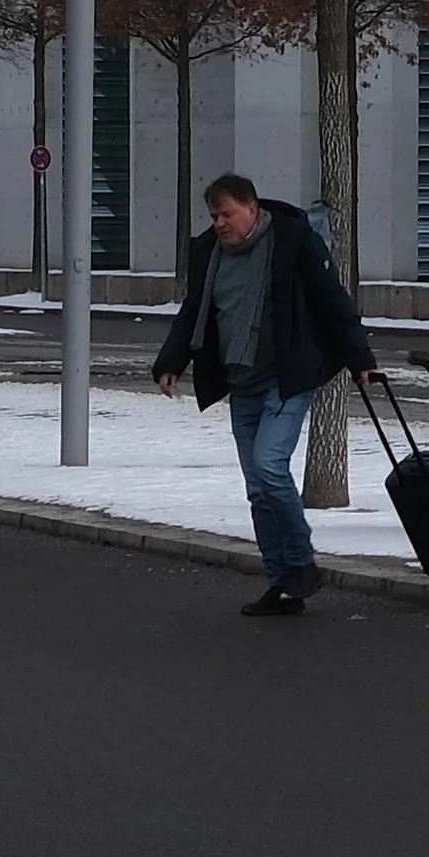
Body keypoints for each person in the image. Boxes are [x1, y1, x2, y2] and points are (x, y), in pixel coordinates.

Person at [151, 164, 371, 611]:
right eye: (214, 217)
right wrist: (170, 362)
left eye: (226, 214)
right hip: (242, 380)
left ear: (251, 208)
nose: (219, 224)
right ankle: (282, 582)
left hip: (285, 378)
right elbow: (194, 312)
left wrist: (360, 358)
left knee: (270, 467)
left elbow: (333, 300)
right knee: (258, 488)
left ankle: (302, 561)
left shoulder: (291, 241)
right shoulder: (208, 253)